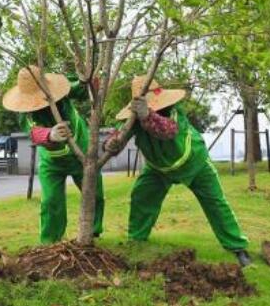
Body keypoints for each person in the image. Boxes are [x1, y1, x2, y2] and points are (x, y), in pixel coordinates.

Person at [105, 75, 251, 266]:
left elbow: (168, 131)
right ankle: (136, 240)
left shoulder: (174, 113)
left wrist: (147, 116)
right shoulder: (133, 119)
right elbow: (118, 135)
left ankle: (237, 247)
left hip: (194, 163)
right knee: (141, 197)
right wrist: (111, 143)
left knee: (215, 203)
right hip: (158, 169)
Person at [2, 65, 104, 243]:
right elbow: (32, 132)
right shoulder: (24, 112)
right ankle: (50, 241)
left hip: (81, 153)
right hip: (51, 161)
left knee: (94, 194)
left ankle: (92, 232)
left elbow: (83, 91)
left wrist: (85, 79)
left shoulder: (60, 91)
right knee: (50, 201)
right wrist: (49, 135)